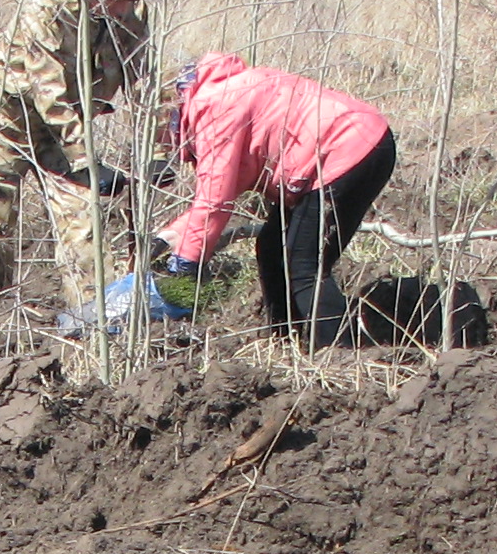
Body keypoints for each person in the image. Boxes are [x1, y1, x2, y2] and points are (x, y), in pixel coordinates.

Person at [155, 56, 396, 349]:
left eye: (160, 139)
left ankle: (337, 354)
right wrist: (170, 236)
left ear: (167, 115)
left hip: (349, 148)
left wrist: (184, 265)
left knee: (304, 263)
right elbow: (223, 187)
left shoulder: (214, 110)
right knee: (272, 246)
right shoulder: (212, 96)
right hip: (342, 148)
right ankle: (287, 340)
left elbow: (214, 200)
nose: (167, 149)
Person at [0, 0, 155, 297]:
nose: (123, 12)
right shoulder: (47, 7)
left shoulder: (129, 10)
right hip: (6, 120)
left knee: (84, 220)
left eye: (131, 3)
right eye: (116, 1)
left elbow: (144, 77)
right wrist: (85, 161)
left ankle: (93, 320)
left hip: (67, 128)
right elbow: (49, 93)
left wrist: (157, 149)